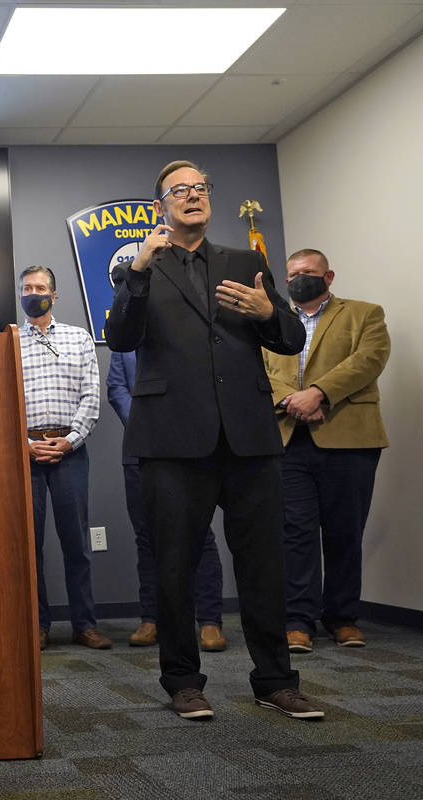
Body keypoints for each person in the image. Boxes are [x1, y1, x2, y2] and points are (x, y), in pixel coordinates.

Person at [104, 160, 323, 721]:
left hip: (248, 435)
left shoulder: (247, 261)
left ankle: (275, 680)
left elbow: (290, 337)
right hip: (172, 440)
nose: (192, 196)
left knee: (263, 565)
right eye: (179, 190)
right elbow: (121, 336)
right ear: (161, 207)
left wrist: (268, 309)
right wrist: (139, 273)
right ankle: (183, 682)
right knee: (174, 566)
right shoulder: (144, 265)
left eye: (200, 188)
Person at [263, 249, 390, 653]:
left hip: (349, 439)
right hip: (288, 440)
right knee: (294, 535)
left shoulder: (364, 313)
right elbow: (259, 369)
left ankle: (343, 618)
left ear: (329, 276)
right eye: (293, 274)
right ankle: (298, 620)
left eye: (309, 273)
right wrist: (291, 400)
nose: (300, 279)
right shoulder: (271, 322)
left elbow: (369, 360)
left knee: (345, 532)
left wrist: (319, 393)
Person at [106, 350, 227, 651]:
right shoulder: (127, 338)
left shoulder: (187, 330)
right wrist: (142, 422)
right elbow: (116, 387)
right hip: (139, 450)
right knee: (147, 538)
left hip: (188, 447)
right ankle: (152, 619)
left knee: (200, 534)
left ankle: (210, 621)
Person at [17, 266, 106, 651]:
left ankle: (85, 624)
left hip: (70, 451)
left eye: (39, 288)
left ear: (54, 295)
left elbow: (91, 396)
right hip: (25, 452)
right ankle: (37, 624)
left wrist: (70, 440)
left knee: (77, 543)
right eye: (26, 288)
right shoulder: (9, 341)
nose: (32, 293)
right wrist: (22, 442)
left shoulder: (78, 338)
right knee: (28, 545)